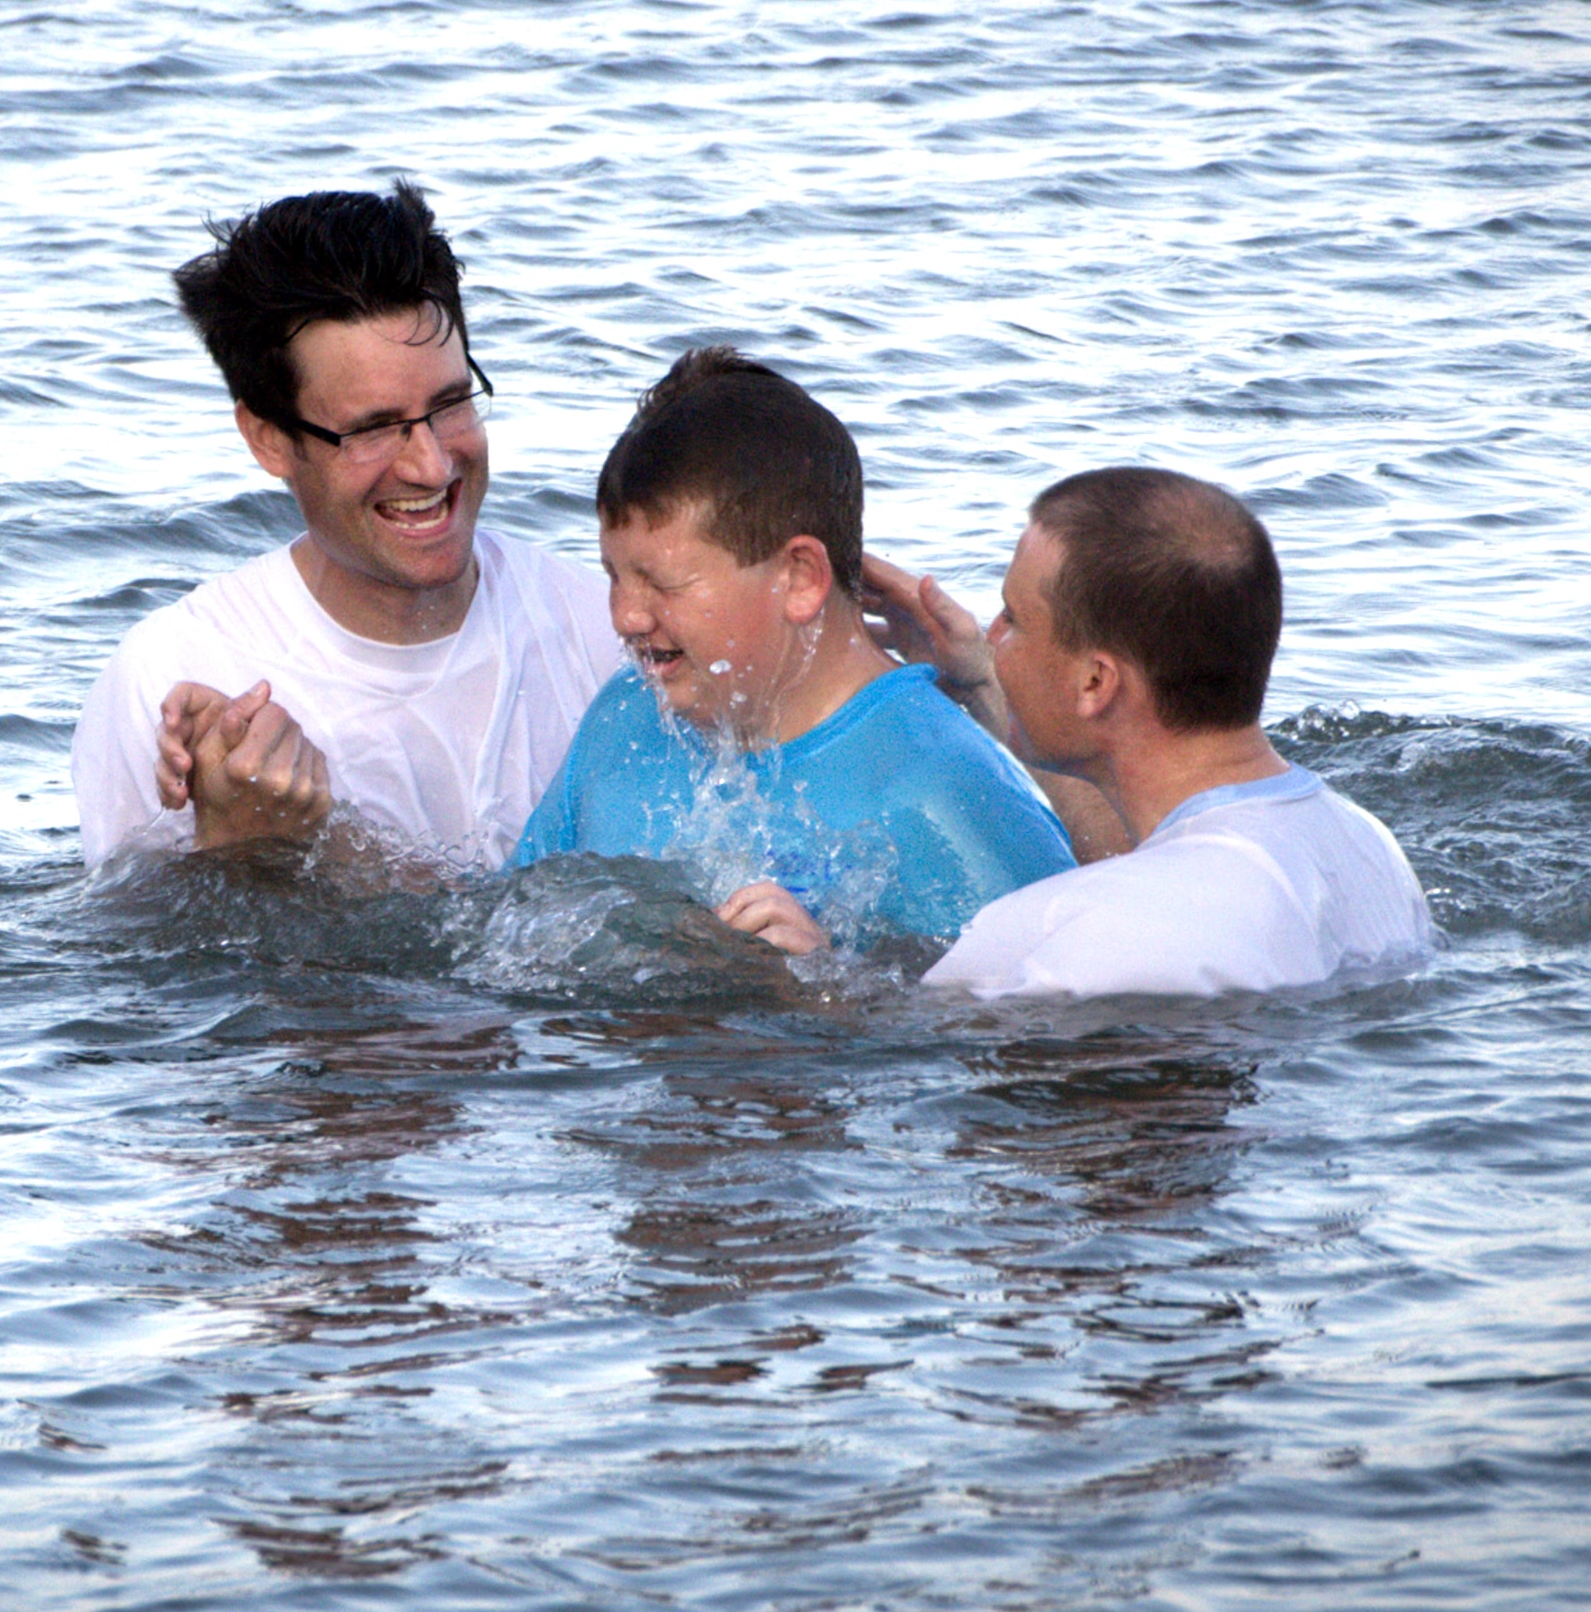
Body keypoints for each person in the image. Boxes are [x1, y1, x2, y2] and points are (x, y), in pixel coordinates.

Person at [70, 182, 625, 868]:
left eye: (451, 405)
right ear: (268, 438)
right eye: (374, 429)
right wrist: (239, 852)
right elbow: (132, 965)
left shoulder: (609, 635)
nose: (430, 464)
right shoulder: (169, 680)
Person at [507, 348, 1078, 950]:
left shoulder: (945, 782)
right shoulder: (623, 716)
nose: (625, 615)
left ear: (800, 577)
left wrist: (833, 996)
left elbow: (1052, 1031)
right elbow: (505, 934)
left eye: (664, 583)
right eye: (614, 575)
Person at [875, 466, 1436, 999]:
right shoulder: (1369, 847)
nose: (990, 638)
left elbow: (907, 1047)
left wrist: (805, 972)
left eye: (1011, 619)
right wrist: (982, 687)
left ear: (1096, 681)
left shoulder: (1092, 938)